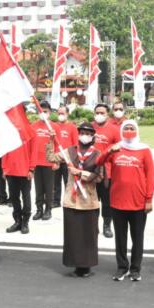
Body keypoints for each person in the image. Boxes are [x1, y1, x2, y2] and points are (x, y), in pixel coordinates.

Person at [97, 120, 154, 282]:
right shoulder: (116, 148)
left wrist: (149, 199)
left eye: (132, 128)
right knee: (120, 238)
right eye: (126, 128)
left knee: (137, 237)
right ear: (122, 131)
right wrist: (109, 151)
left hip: (138, 202)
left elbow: (150, 176)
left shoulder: (144, 150)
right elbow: (99, 162)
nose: (129, 130)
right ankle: (122, 267)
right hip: (118, 201)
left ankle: (135, 269)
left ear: (137, 130)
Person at [47, 123, 102, 277]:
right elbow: (51, 157)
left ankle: (87, 266)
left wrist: (80, 172)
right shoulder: (70, 151)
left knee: (88, 236)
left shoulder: (97, 154)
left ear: (93, 136)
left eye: (88, 133)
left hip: (88, 201)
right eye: (82, 132)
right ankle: (75, 265)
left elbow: (98, 177)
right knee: (73, 235)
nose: (85, 135)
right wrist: (51, 140)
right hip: (71, 200)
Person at [4, 108, 35, 234]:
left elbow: (34, 152)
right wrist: (5, 168)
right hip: (11, 171)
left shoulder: (30, 131)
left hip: (25, 171)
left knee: (26, 198)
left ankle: (25, 222)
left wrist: (32, 169)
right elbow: (5, 151)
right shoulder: (9, 132)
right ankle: (17, 221)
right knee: (14, 198)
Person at [92, 103, 120, 238]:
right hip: (91, 170)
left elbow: (119, 150)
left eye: (102, 113)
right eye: (97, 112)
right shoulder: (90, 128)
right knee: (92, 199)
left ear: (107, 115)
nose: (99, 115)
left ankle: (107, 225)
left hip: (107, 171)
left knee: (107, 200)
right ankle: (93, 225)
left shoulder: (114, 130)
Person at [31, 101, 57, 221]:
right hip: (36, 162)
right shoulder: (33, 126)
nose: (43, 113)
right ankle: (39, 209)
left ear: (50, 112)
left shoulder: (54, 127)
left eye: (45, 111)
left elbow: (58, 145)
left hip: (49, 161)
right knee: (38, 187)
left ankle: (48, 209)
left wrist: (56, 161)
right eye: (41, 111)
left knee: (49, 187)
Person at [53, 104, 78, 208]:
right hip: (57, 160)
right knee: (55, 183)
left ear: (67, 114)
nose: (60, 115)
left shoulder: (72, 127)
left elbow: (75, 144)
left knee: (68, 183)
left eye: (62, 113)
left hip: (68, 161)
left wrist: (73, 160)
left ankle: (68, 201)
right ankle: (56, 201)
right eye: (59, 113)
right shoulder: (54, 126)